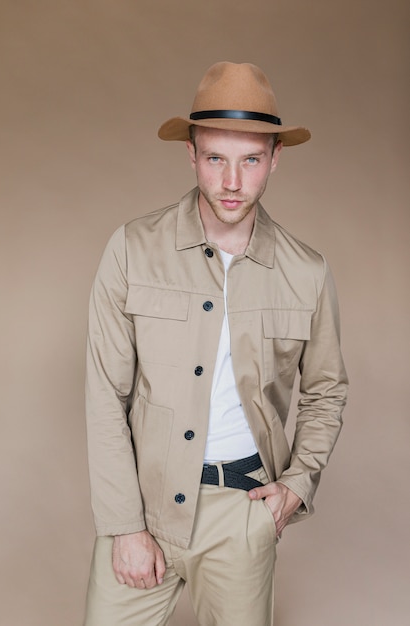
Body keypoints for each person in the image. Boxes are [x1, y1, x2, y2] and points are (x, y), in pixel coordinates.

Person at [83, 61, 348, 626]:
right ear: (192, 154)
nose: (232, 182)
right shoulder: (132, 248)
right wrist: (125, 526)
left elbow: (326, 390)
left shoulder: (306, 272)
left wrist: (296, 486)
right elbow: (105, 393)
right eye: (216, 159)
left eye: (251, 160)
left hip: (243, 514)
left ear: (275, 157)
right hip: (144, 505)